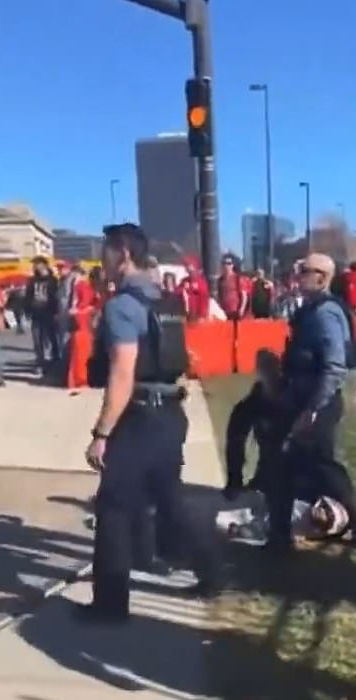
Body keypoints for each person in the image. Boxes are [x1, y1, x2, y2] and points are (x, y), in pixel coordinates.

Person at [79, 222, 219, 622]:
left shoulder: (122, 306)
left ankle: (109, 606)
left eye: (106, 251)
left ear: (123, 254)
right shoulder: (165, 300)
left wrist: (101, 433)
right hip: (170, 413)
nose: (101, 260)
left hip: (139, 415)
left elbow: (122, 373)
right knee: (170, 499)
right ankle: (210, 570)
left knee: (114, 507)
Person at [266, 252, 356, 549]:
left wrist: (313, 408)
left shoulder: (326, 314)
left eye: (304, 270)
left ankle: (354, 522)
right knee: (290, 467)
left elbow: (334, 365)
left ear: (322, 278)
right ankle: (279, 536)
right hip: (300, 399)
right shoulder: (310, 310)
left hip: (314, 404)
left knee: (320, 468)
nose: (298, 275)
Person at [224, 349, 285, 505]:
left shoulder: (289, 394)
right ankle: (237, 482)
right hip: (267, 457)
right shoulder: (256, 396)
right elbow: (236, 434)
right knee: (237, 433)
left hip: (284, 459)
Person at [25, 257, 59, 374]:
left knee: (51, 338)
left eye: (36, 264)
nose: (34, 266)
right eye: (34, 264)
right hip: (36, 314)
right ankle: (40, 363)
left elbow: (55, 297)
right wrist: (27, 310)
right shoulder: (32, 280)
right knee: (37, 340)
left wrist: (56, 312)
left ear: (43, 265)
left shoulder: (52, 280)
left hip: (48, 312)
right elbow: (28, 296)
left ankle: (55, 361)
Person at [66, 264, 95, 392]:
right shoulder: (80, 285)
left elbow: (85, 302)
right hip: (81, 321)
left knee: (80, 352)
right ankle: (78, 379)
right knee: (80, 352)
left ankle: (79, 379)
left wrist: (77, 311)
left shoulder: (81, 285)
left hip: (81, 321)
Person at [178, 256, 210, 321]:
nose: (187, 268)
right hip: (187, 314)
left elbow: (204, 298)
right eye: (186, 266)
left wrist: (202, 315)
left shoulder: (201, 282)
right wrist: (183, 289)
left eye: (189, 266)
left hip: (198, 314)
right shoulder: (184, 281)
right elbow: (177, 292)